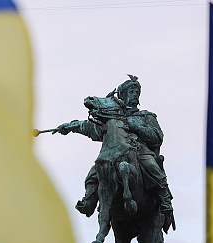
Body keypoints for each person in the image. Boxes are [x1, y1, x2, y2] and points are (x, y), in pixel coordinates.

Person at [54, 76, 174, 232]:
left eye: (137, 92)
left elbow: (157, 137)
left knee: (151, 165)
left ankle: (165, 199)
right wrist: (70, 126)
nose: (135, 95)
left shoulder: (146, 116)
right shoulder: (111, 117)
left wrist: (136, 127)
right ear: (122, 95)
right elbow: (90, 127)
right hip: (114, 154)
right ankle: (89, 201)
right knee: (95, 172)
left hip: (140, 150)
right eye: (131, 91)